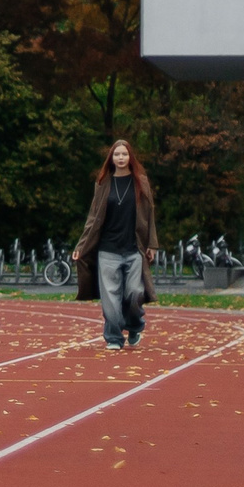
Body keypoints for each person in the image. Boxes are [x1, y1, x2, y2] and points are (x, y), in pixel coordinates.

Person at [73, 137, 158, 350]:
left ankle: (136, 324)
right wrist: (81, 246)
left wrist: (152, 244)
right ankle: (113, 337)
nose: (121, 158)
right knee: (110, 299)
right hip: (107, 250)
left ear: (130, 157)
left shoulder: (141, 181)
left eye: (125, 154)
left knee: (134, 293)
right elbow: (93, 218)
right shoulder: (103, 184)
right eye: (117, 154)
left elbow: (149, 215)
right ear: (111, 158)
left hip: (133, 248)